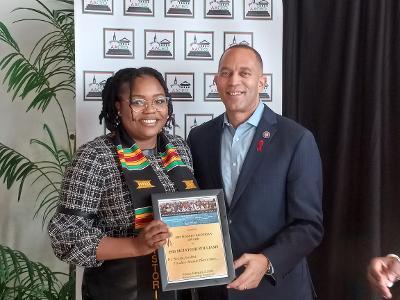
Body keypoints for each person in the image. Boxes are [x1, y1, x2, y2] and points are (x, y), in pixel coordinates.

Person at [48, 67, 198, 300]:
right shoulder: (95, 156)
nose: (151, 110)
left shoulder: (179, 149)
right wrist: (136, 246)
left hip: (181, 288)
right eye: (138, 102)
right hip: (121, 290)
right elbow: (65, 236)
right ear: (118, 106)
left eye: (159, 100)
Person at [187, 45, 323, 300]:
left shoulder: (296, 139)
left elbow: (309, 225)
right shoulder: (199, 137)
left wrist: (268, 261)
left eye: (244, 73)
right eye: (226, 73)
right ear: (216, 81)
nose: (234, 80)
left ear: (261, 82)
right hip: (216, 289)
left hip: (276, 288)